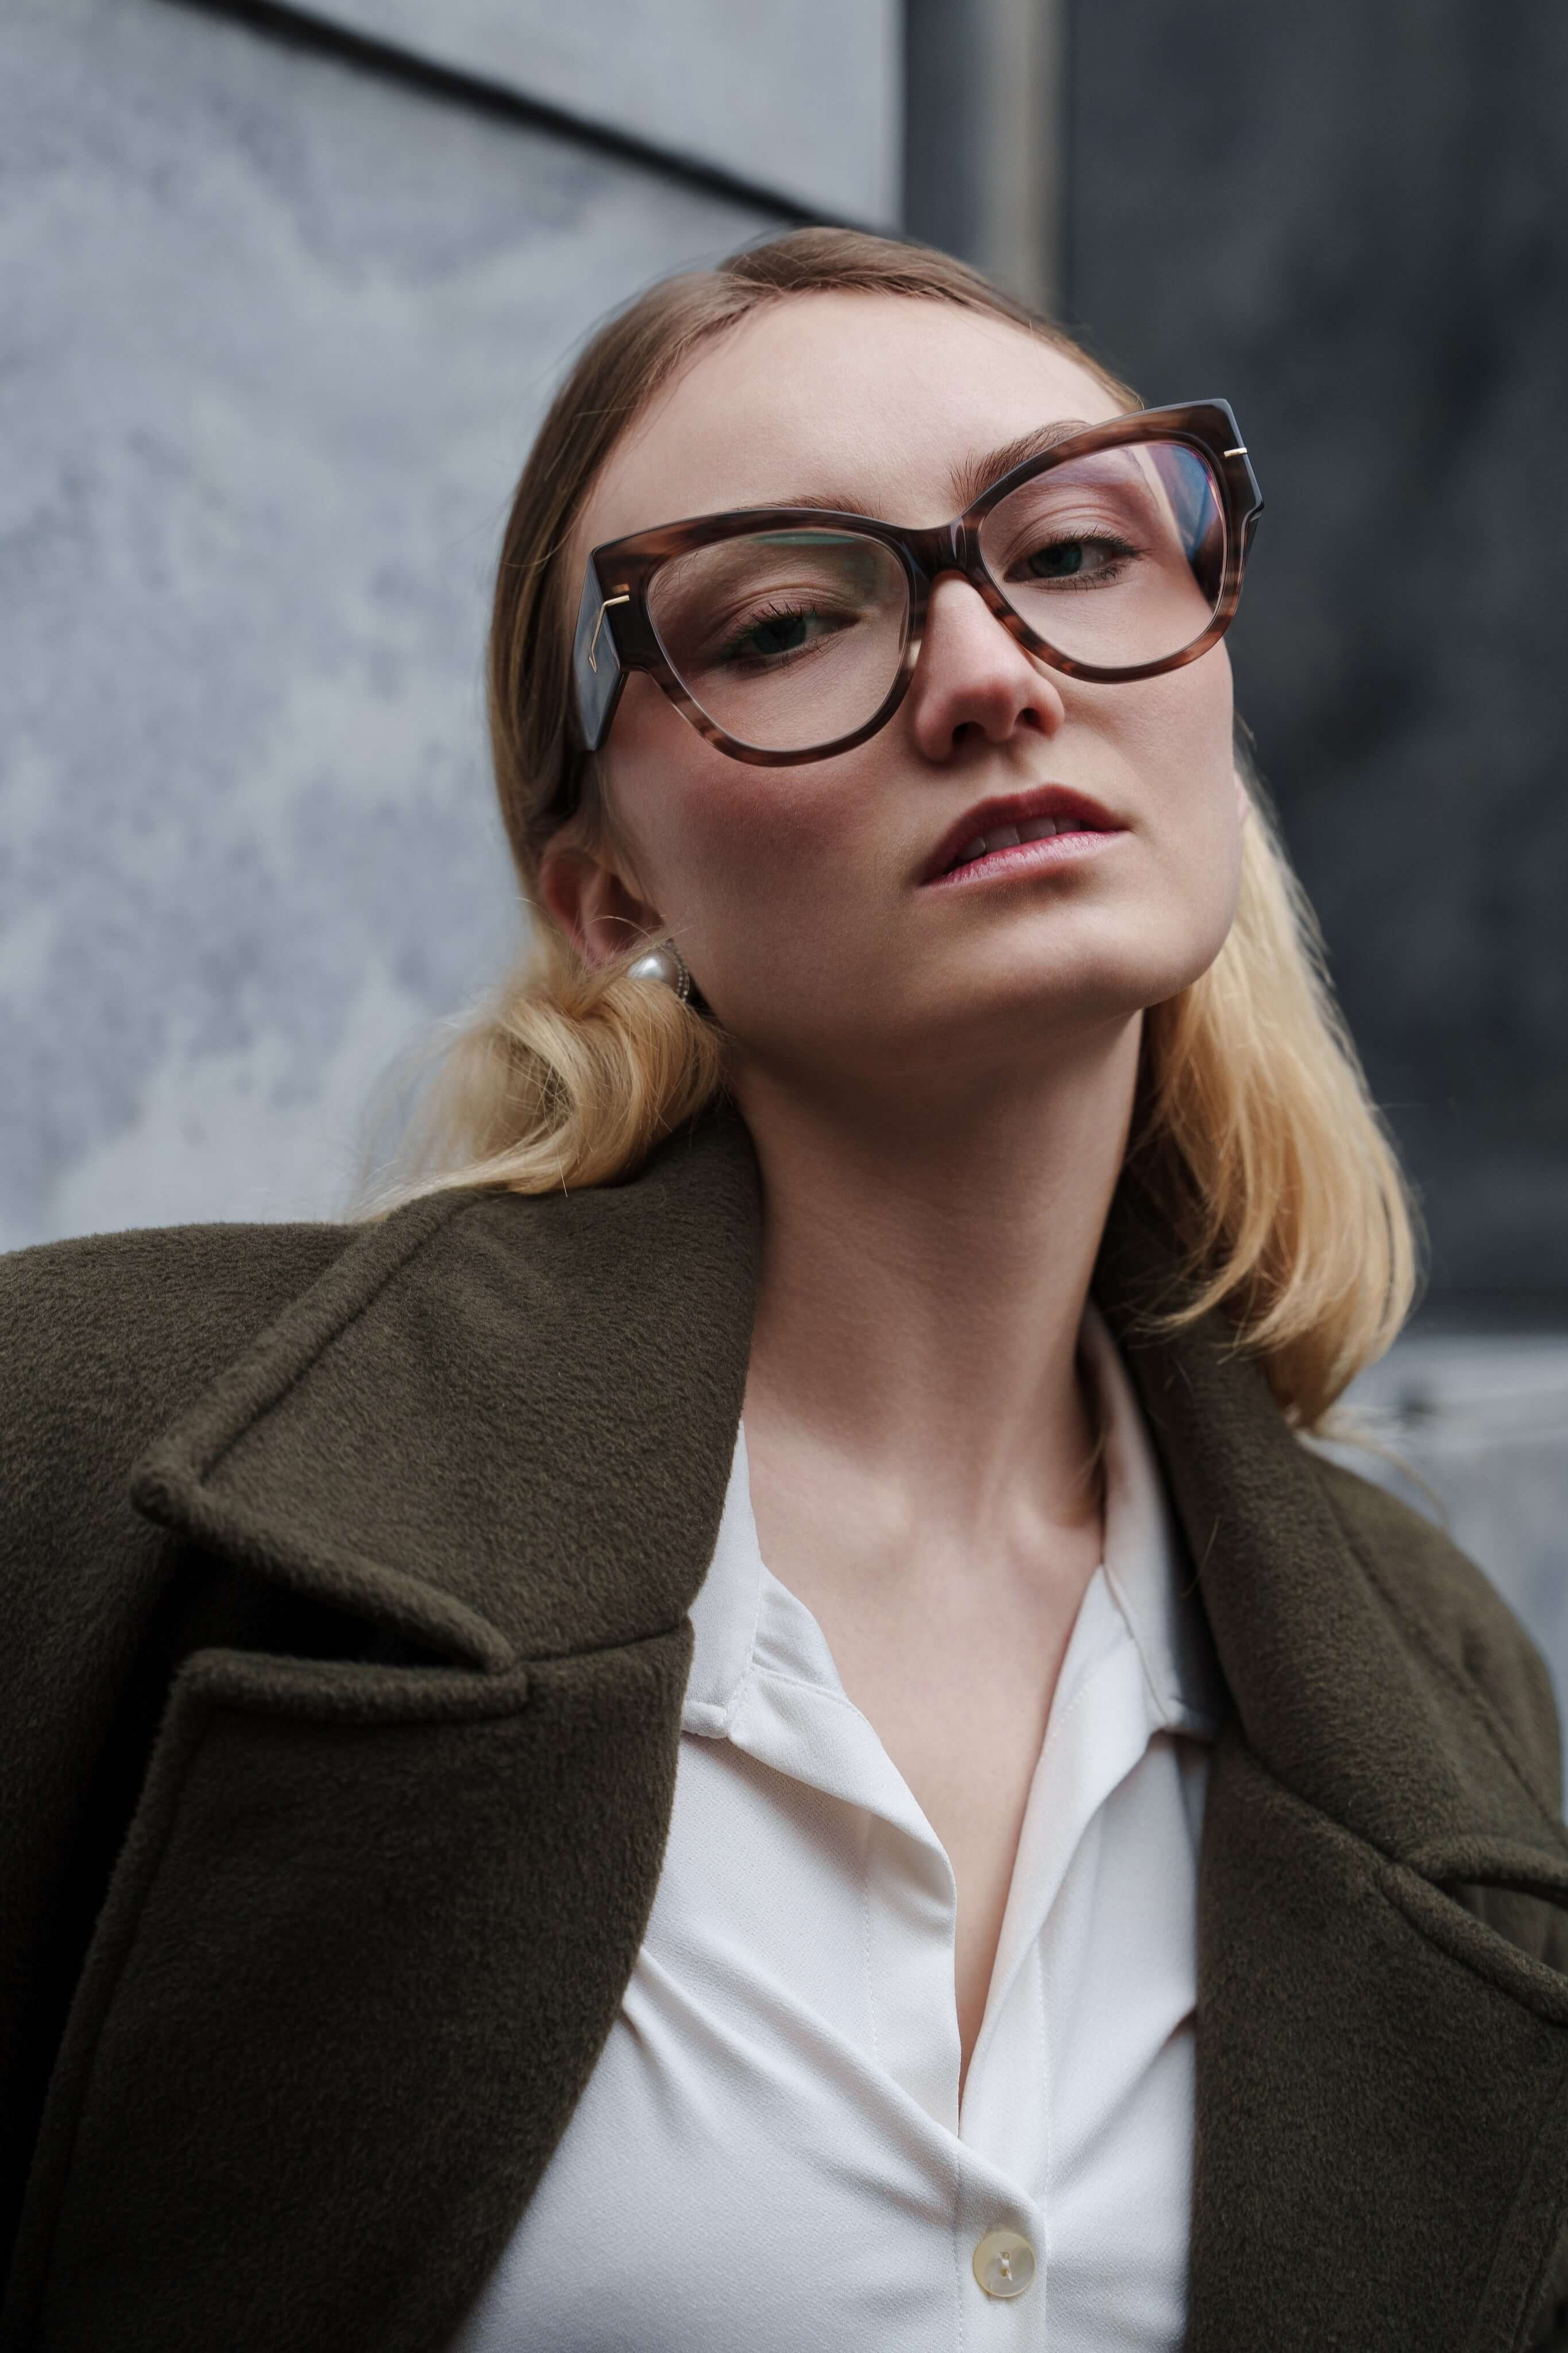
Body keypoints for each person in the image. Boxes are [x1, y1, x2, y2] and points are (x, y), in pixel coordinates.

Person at [4, 228, 1567, 2353]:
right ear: (608, 892)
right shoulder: (92, 1455)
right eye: (790, 618)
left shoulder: (1445, 1675)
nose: (992, 671)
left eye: (1080, 549)